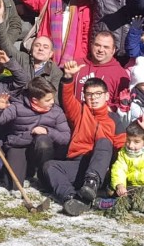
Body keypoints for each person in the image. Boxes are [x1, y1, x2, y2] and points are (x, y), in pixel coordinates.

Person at [46, 63, 126, 216]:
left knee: (103, 141)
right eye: (89, 94)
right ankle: (73, 199)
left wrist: (115, 173)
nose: (93, 98)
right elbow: (67, 98)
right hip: (79, 163)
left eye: (98, 94)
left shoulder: (113, 120)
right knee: (50, 166)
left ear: (106, 96)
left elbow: (122, 148)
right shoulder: (80, 112)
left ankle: (92, 183)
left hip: (101, 168)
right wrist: (68, 77)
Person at [0, 76, 71, 189]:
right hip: (18, 145)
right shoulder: (17, 106)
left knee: (43, 141)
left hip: (42, 150)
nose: (52, 102)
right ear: (35, 100)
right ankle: (27, 169)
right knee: (13, 185)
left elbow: (65, 138)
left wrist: (47, 131)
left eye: (52, 98)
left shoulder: (56, 111)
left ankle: (43, 175)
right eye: (47, 100)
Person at [18, 0, 93, 67]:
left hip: (74, 57)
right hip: (48, 55)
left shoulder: (82, 0)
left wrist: (82, 55)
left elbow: (86, 31)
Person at [69, 31, 130, 106]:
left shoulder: (119, 74)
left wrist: (110, 110)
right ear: (91, 45)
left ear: (113, 50)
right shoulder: (76, 65)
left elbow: (122, 104)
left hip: (102, 116)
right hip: (75, 115)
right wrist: (67, 76)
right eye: (97, 45)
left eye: (106, 47)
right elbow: (65, 94)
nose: (100, 50)